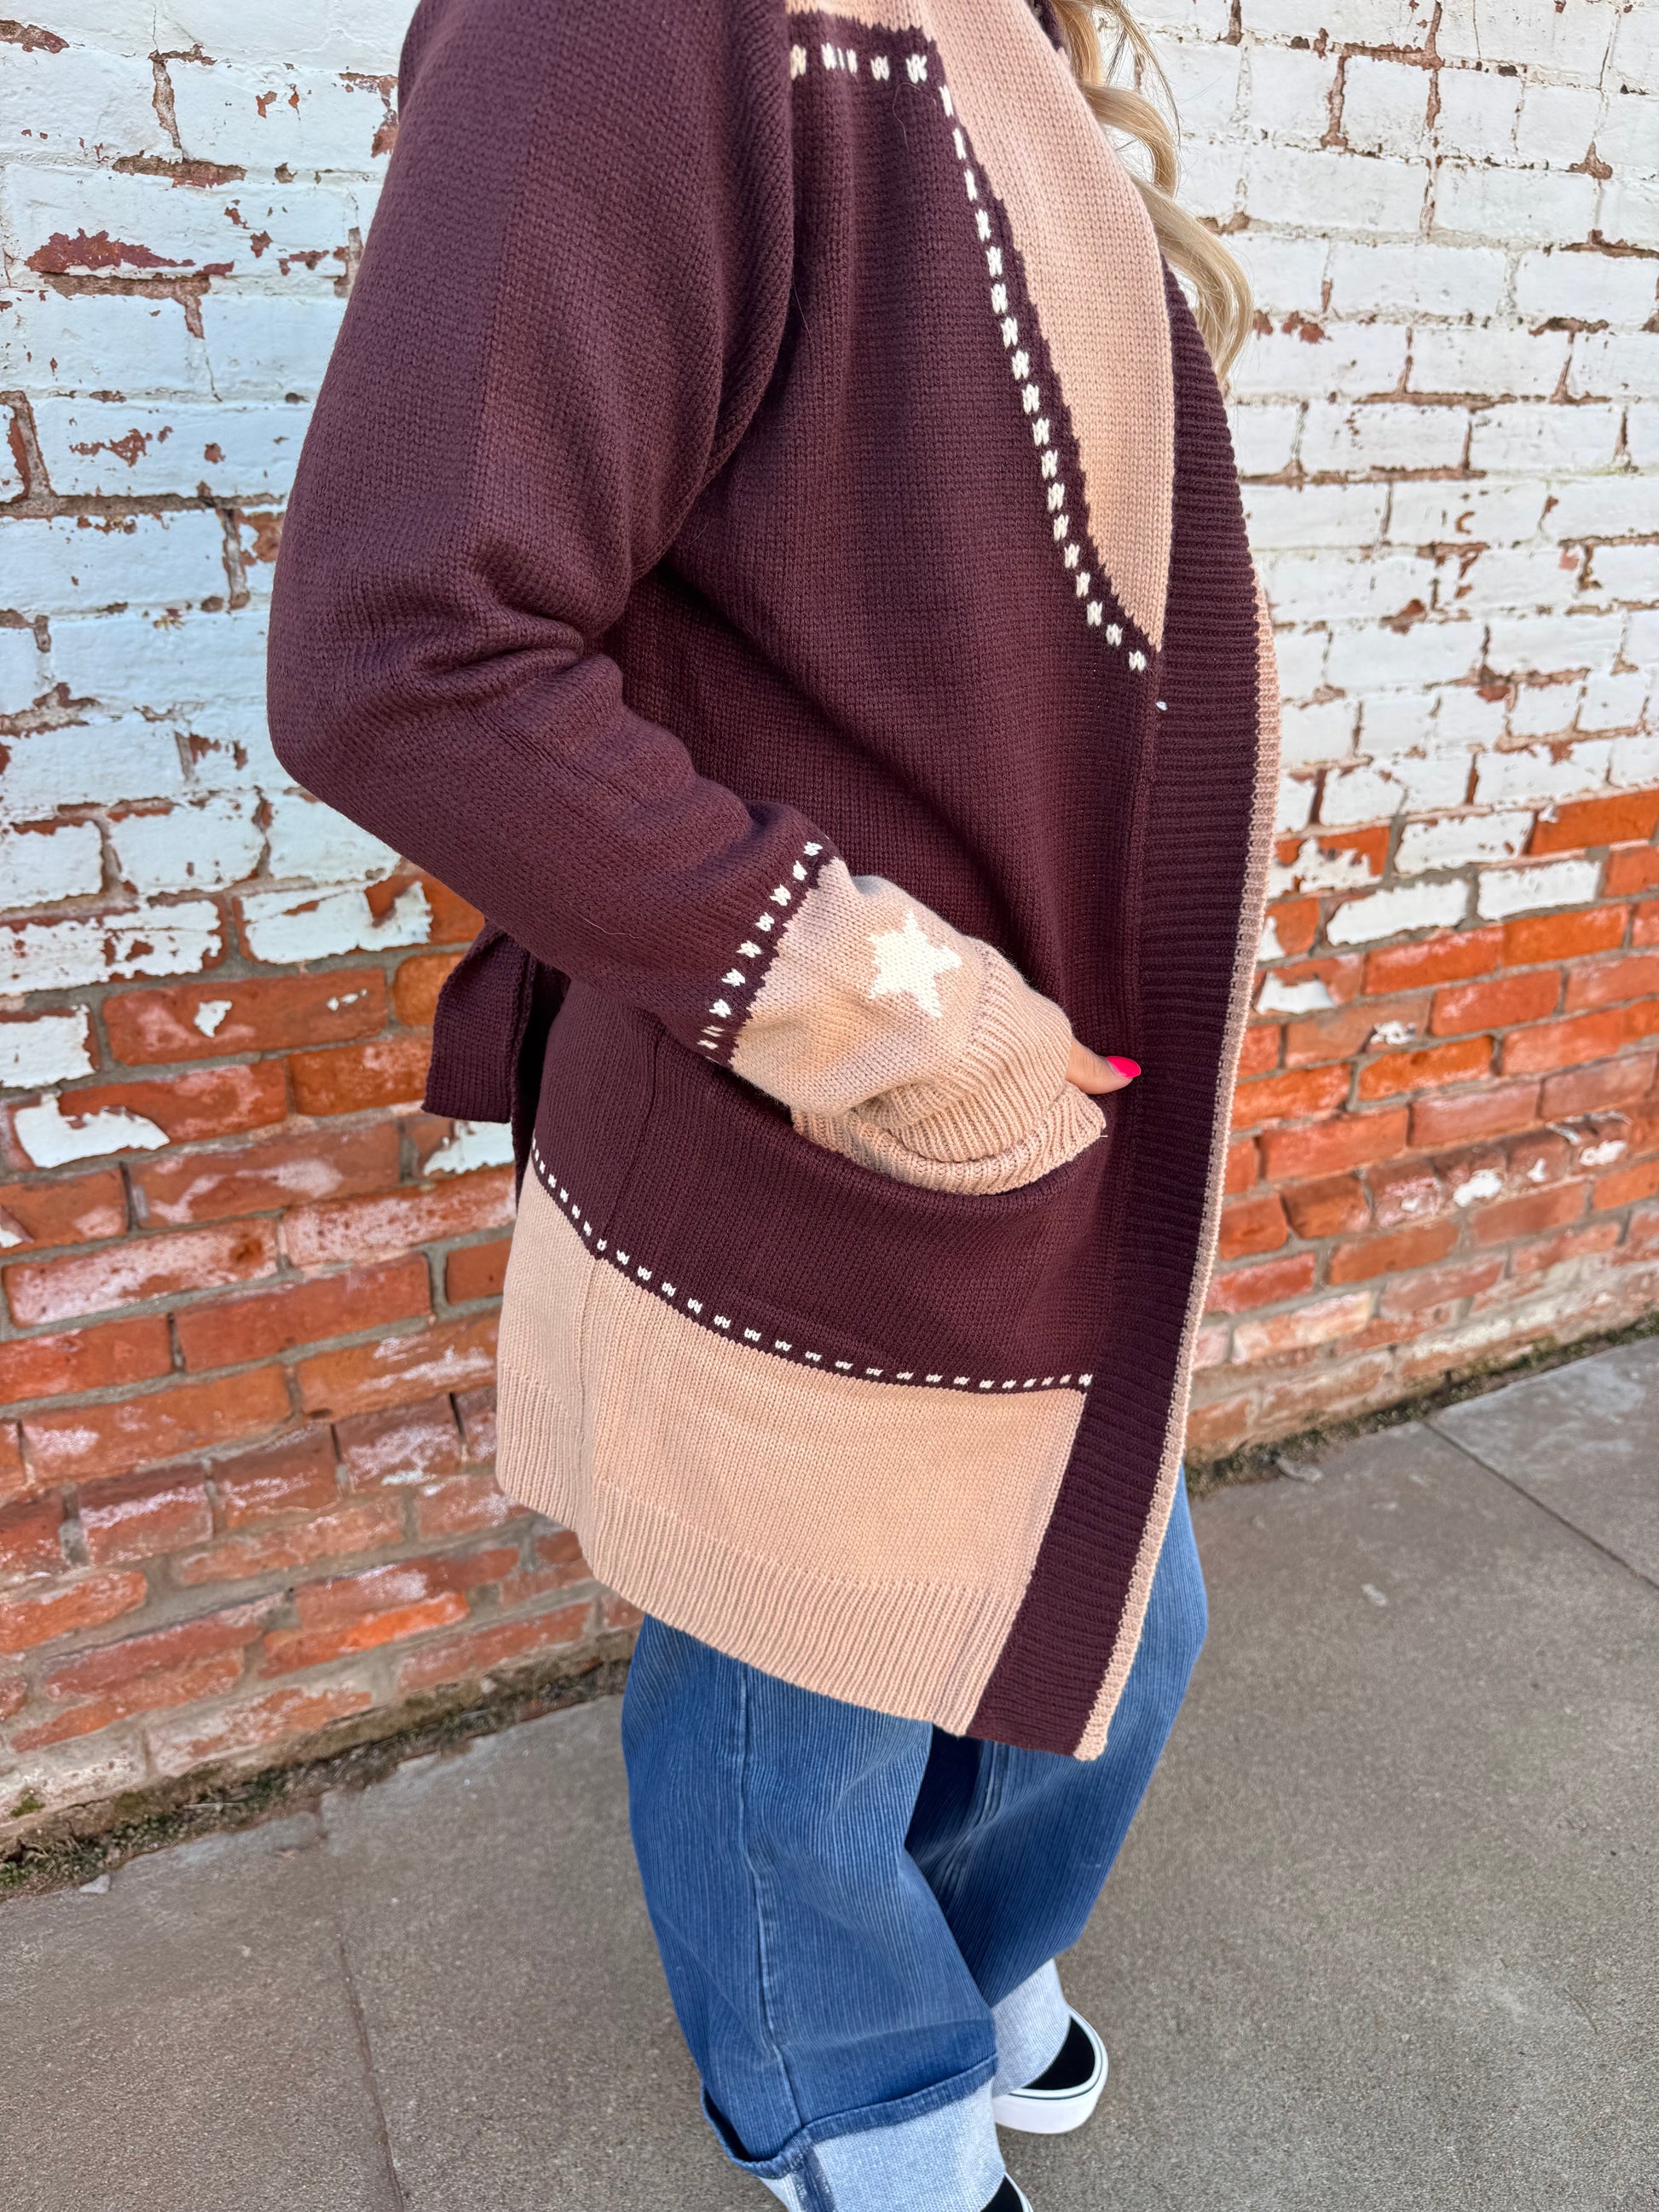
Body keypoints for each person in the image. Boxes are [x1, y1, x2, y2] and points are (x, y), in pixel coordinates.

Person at [268, 1, 1277, 2204]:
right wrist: (906, 1025)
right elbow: (402, 646)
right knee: (797, 1705)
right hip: (828, 1106)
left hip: (1046, 1104)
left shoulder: (990, 29)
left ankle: (955, 1957)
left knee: (1113, 1618)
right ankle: (849, 2094)